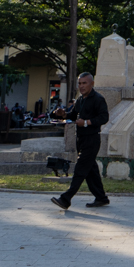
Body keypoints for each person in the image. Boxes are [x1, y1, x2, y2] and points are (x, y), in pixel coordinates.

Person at [51, 73, 110, 209]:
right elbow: (72, 115)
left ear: (92, 84)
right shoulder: (80, 100)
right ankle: (101, 198)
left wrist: (87, 122)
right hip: (81, 139)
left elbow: (104, 117)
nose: (82, 86)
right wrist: (62, 114)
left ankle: (66, 199)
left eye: (85, 83)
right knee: (91, 171)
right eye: (80, 83)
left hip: (92, 139)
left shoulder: (98, 99)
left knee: (80, 169)